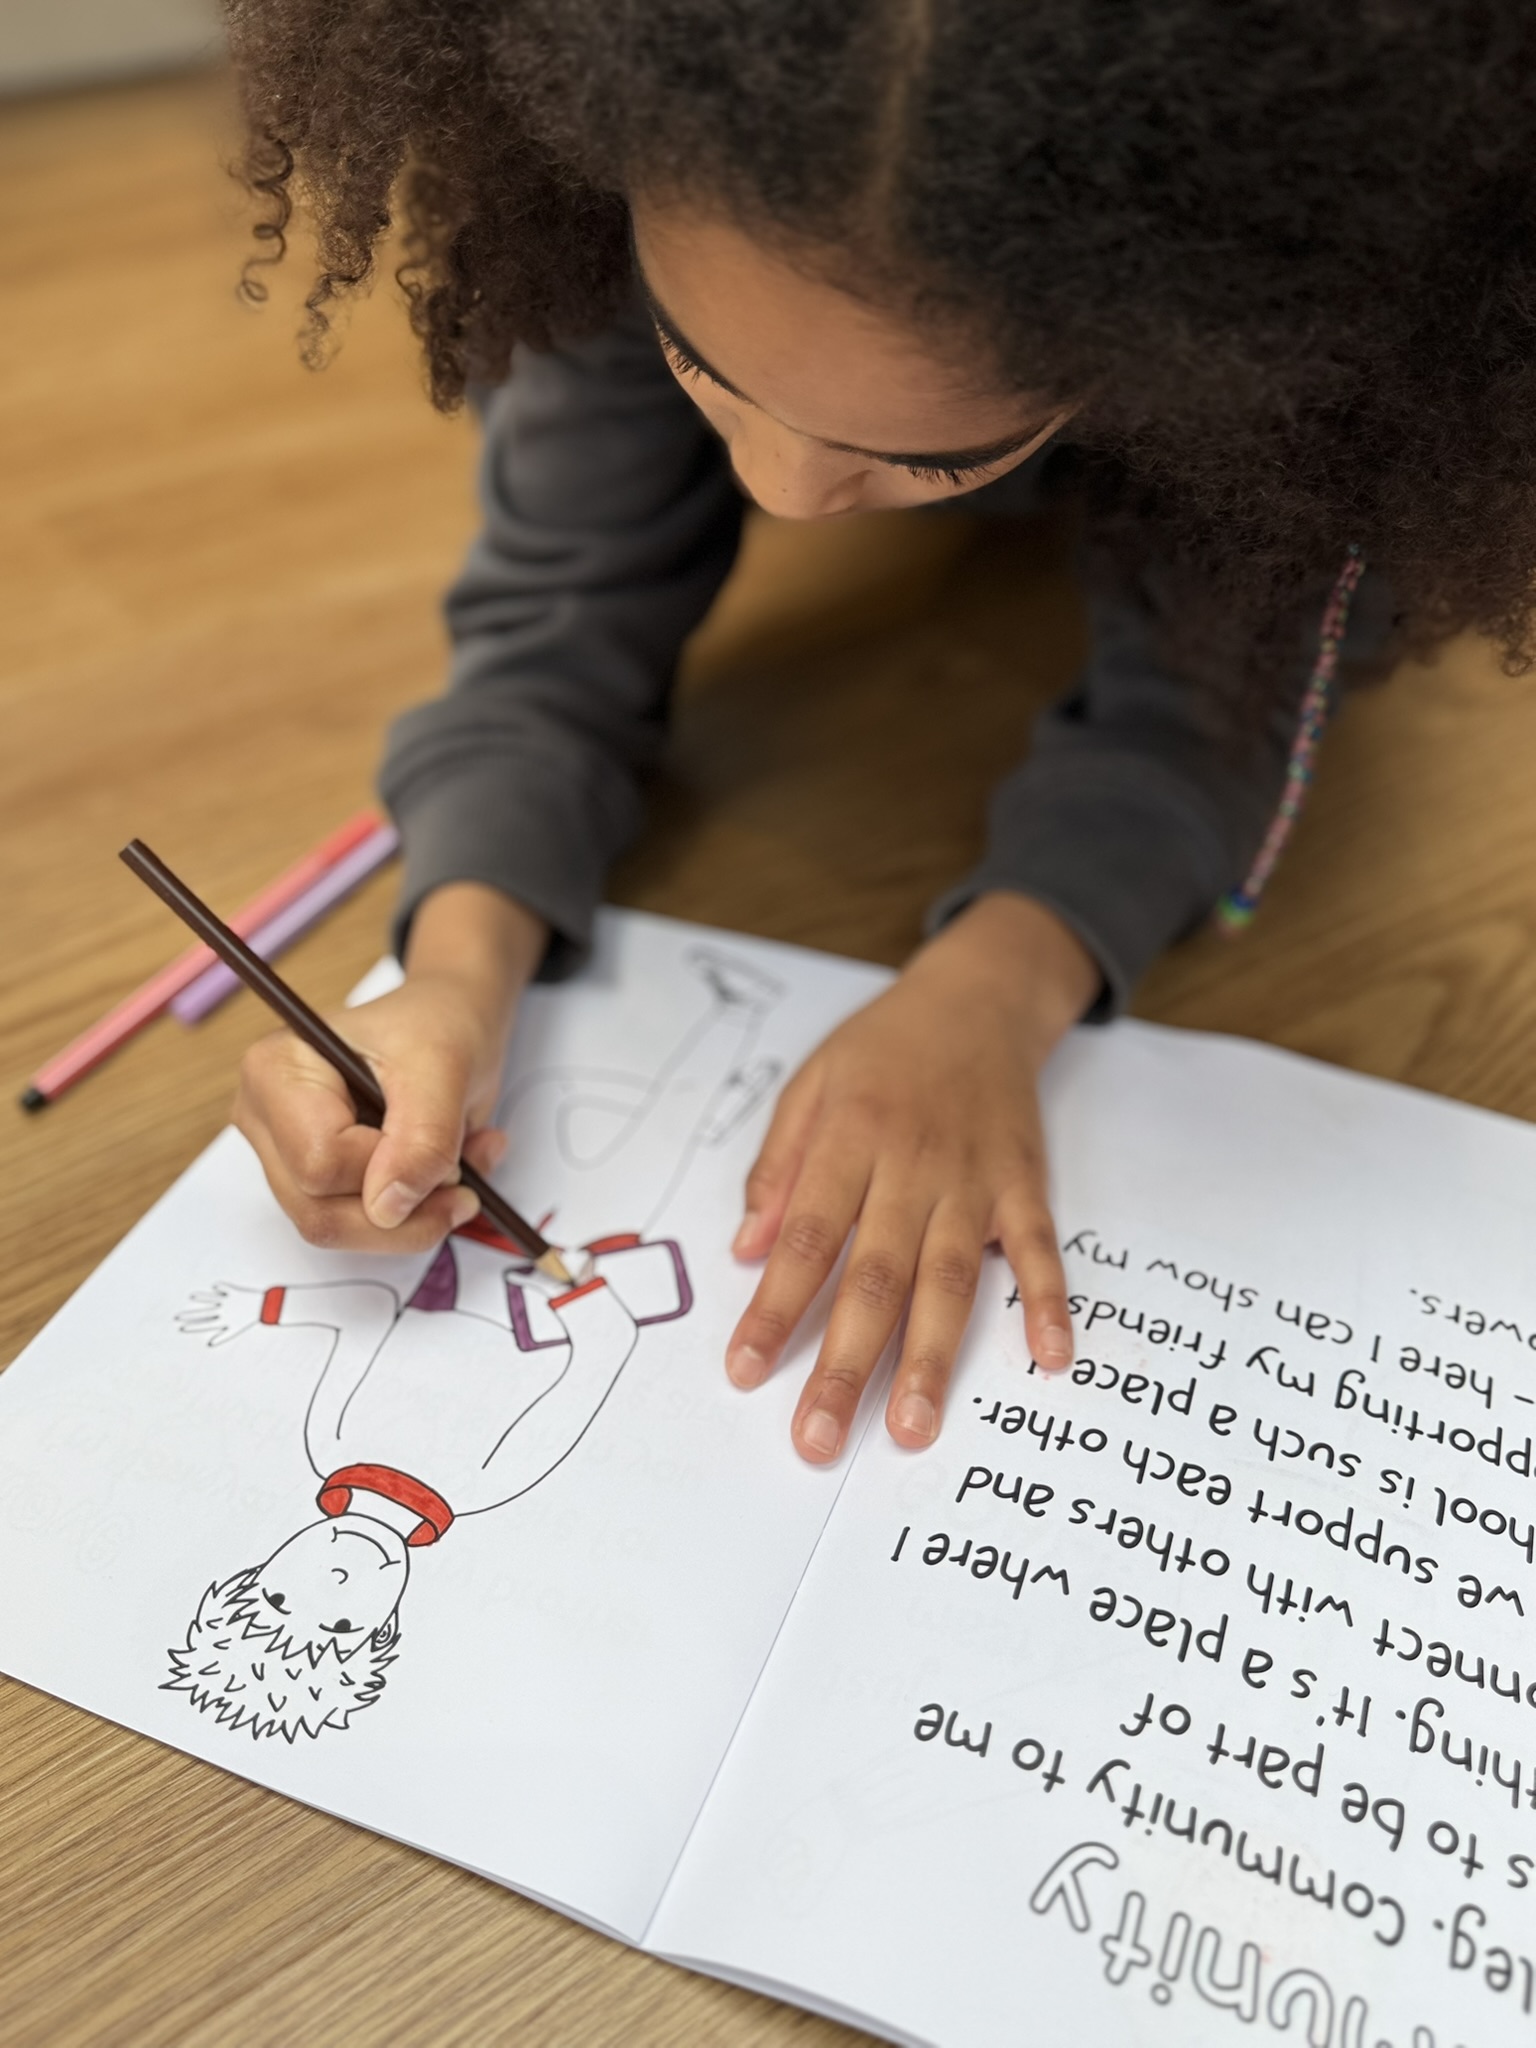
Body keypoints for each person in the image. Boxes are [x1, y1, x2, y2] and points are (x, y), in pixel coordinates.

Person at [223, 1, 1536, 1468]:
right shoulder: (641, 179)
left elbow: (1210, 717)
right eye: (698, 361)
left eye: (922, 454)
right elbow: (553, 629)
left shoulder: (1294, 393)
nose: (778, 492)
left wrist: (998, 984)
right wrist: (454, 966)